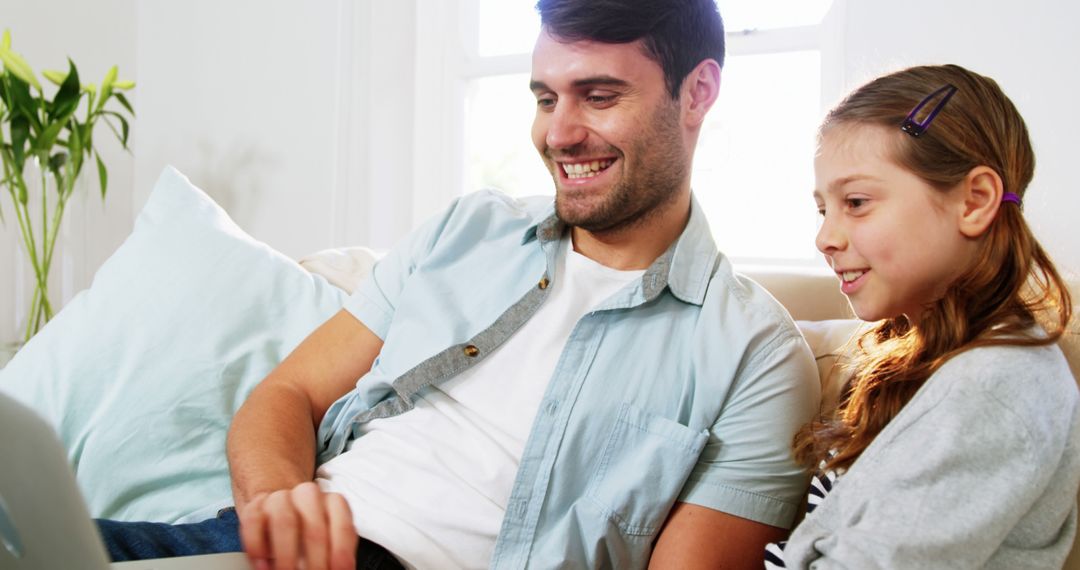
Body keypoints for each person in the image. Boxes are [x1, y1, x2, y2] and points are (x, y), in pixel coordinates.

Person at [98, 0, 821, 568]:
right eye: (545, 98)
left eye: (598, 96)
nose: (558, 134)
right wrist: (280, 507)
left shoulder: (755, 355)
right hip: (260, 545)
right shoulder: (469, 230)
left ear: (697, 93)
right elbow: (286, 395)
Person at [764, 64, 1079, 568]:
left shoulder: (997, 386)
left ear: (974, 201)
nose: (825, 238)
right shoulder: (925, 359)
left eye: (857, 202)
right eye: (823, 210)